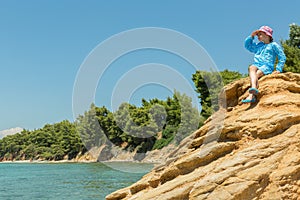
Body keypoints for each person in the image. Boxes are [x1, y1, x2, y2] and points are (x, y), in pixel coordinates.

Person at [242, 25, 286, 103]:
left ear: (267, 35)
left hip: (267, 66)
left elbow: (282, 57)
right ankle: (254, 89)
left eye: (260, 34)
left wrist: (278, 69)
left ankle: (251, 96)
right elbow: (248, 46)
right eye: (257, 35)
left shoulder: (273, 45)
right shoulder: (259, 46)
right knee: (251, 67)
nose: (258, 36)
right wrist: (251, 36)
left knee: (257, 75)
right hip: (257, 64)